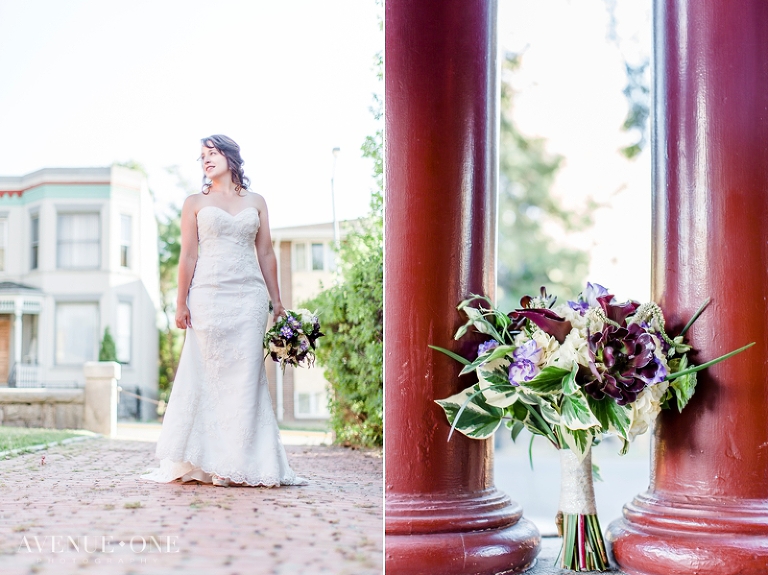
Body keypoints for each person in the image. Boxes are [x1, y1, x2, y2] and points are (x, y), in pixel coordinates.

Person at [141, 135, 306, 487]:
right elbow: (188, 255)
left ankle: (238, 461)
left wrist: (278, 302)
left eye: (212, 153)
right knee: (210, 375)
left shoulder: (257, 202)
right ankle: (211, 460)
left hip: (249, 297)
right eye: (202, 155)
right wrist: (180, 301)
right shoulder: (194, 203)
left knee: (245, 376)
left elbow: (266, 254)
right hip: (209, 297)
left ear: (231, 157)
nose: (206, 159)